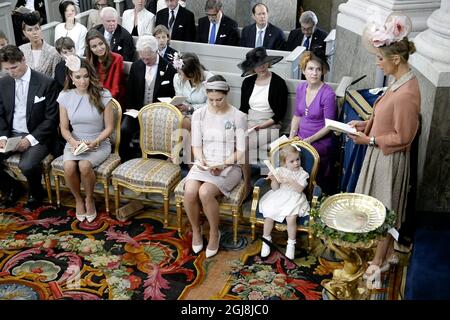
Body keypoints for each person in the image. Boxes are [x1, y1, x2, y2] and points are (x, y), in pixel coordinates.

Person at [348, 14, 420, 285]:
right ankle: (387, 254)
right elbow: (385, 115)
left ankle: (378, 262)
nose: (377, 62)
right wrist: (367, 123)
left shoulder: (407, 92)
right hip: (379, 152)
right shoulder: (398, 82)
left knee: (383, 211)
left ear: (396, 59)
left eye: (380, 58)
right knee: (378, 209)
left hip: (388, 158)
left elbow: (404, 136)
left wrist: (370, 141)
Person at [184, 75, 247, 258]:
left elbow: (241, 151)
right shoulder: (199, 114)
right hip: (205, 163)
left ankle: (213, 232)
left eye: (219, 99)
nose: (215, 103)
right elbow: (196, 145)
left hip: (229, 165)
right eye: (211, 100)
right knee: (190, 192)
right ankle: (196, 230)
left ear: (227, 94)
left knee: (205, 192)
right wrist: (201, 160)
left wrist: (223, 164)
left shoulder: (238, 116)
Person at [0, 45, 58, 209]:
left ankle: (36, 192)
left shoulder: (46, 83)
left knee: (27, 165)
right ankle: (12, 188)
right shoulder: (3, 83)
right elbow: (1, 115)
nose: (11, 72)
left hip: (38, 136)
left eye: (14, 67)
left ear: (23, 60)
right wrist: (3, 138)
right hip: (11, 134)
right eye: (6, 69)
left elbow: (52, 119)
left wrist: (29, 139)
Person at [58, 56, 114, 222]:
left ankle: (89, 198)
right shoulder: (65, 96)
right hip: (74, 141)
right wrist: (74, 143)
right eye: (78, 77)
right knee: (68, 166)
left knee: (84, 165)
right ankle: (78, 199)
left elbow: (109, 128)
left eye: (86, 76)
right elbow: (64, 128)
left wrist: (95, 142)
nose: (83, 81)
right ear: (71, 78)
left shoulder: (103, 95)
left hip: (99, 142)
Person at [120, 35, 176, 162]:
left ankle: (155, 160)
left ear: (155, 51)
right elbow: (130, 90)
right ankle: (125, 159)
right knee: (124, 130)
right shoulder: (137, 65)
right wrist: (130, 109)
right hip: (137, 111)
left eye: (148, 58)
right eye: (142, 57)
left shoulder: (168, 68)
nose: (145, 61)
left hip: (158, 114)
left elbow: (171, 94)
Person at [238, 47, 287, 190]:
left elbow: (279, 114)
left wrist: (261, 126)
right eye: (258, 65)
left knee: (243, 143)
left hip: (271, 123)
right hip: (250, 121)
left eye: (264, 63)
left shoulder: (278, 83)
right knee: (230, 136)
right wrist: (242, 124)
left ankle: (246, 184)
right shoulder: (247, 82)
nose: (262, 67)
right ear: (252, 67)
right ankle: (233, 176)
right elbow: (243, 109)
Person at [289, 50, 337, 193]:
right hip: (301, 137)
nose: (314, 73)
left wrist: (309, 140)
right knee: (286, 153)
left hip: (320, 141)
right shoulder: (301, 88)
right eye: (310, 69)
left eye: (318, 69)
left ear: (323, 72)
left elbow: (330, 126)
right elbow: (297, 115)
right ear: (303, 71)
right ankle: (293, 194)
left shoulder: (328, 94)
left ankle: (310, 194)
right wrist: (292, 136)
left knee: (305, 157)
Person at [259, 144, 310, 260]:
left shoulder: (303, 173)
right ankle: (266, 239)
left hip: (295, 196)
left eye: (298, 159)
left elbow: (299, 189)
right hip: (280, 195)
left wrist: (290, 179)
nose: (296, 163)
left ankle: (291, 243)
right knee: (269, 215)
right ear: (284, 163)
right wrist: (274, 179)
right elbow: (275, 188)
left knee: (291, 218)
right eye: (292, 161)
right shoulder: (280, 171)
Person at [172, 52, 214, 131]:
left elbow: (211, 105)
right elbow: (180, 98)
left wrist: (190, 108)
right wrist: (180, 106)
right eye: (178, 72)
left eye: (181, 74)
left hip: (205, 114)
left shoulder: (209, 79)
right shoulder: (177, 78)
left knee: (185, 123)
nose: (179, 76)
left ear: (191, 73)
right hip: (184, 113)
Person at [85, 29, 125, 105]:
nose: (99, 48)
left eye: (101, 43)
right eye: (94, 46)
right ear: (90, 49)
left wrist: (101, 104)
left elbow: (115, 89)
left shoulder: (117, 58)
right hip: (94, 100)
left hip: (112, 101)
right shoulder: (89, 61)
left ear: (105, 43)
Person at [19, 12, 62, 78]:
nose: (34, 33)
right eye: (30, 30)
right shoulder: (22, 50)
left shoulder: (53, 53)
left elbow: (55, 78)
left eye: (36, 28)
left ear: (40, 29)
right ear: (24, 33)